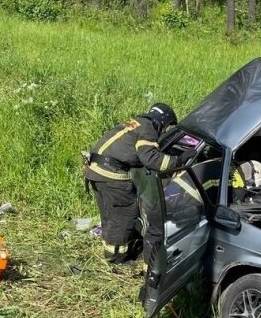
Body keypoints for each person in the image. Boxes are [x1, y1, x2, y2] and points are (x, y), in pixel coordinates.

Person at [84, 103, 196, 264]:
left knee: (109, 215)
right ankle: (117, 258)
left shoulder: (136, 122)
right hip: (111, 176)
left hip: (95, 171)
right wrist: (178, 161)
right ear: (162, 120)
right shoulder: (148, 128)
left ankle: (110, 251)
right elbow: (150, 158)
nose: (164, 131)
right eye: (165, 127)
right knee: (124, 217)